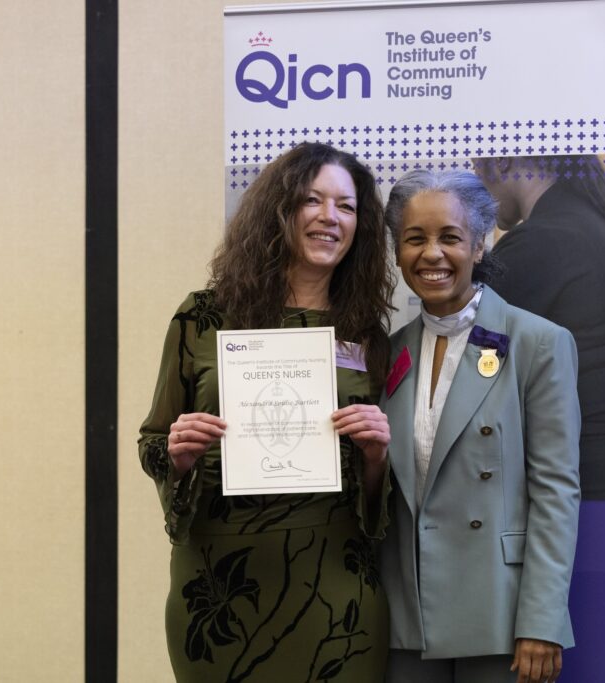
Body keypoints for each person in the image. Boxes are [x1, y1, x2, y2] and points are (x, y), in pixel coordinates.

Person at [138, 142, 395, 682]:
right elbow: (153, 443)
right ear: (279, 210)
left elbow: (376, 495)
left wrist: (376, 456)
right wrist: (179, 454)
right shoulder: (202, 317)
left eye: (346, 206)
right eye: (312, 200)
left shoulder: (364, 334)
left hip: (334, 586)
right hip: (220, 585)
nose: (330, 217)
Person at [379, 169, 582, 683]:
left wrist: (542, 620)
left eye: (449, 237)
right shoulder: (388, 353)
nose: (431, 254)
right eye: (414, 239)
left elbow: (556, 490)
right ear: (397, 251)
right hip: (408, 618)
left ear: (480, 244)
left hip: (501, 614)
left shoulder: (537, 341)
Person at [473, 155, 605, 681]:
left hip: (577, 500)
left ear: (508, 156)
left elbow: (467, 379)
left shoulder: (542, 242)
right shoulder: (600, 225)